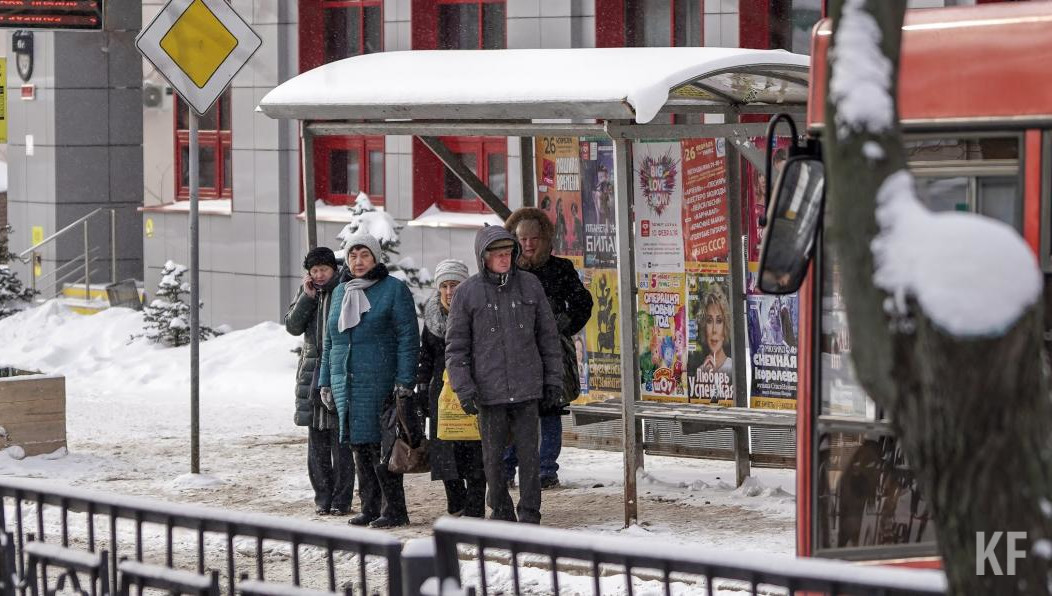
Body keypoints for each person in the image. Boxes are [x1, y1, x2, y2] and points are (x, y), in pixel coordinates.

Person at [445, 225, 563, 523]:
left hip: (527, 386)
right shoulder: (467, 293)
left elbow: (548, 337)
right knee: (492, 459)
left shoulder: (531, 286)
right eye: (497, 254)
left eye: (508, 253)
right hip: (489, 389)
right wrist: (465, 388)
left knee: (530, 459)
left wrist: (553, 381)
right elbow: (456, 348)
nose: (504, 259)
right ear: (483, 257)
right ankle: (500, 510)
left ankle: (530, 514)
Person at [318, 232, 420, 529]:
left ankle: (395, 510)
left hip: (381, 381)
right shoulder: (340, 292)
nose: (358, 261)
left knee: (384, 448)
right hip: (346, 382)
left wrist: (405, 380)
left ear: (376, 257)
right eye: (353, 255)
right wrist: (325, 381)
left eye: (364, 255)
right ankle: (370, 507)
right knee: (359, 446)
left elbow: (407, 338)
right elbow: (330, 341)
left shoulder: (393, 290)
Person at [502, 208, 594, 490]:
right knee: (514, 412)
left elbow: (583, 303)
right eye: (523, 238)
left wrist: (564, 323)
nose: (528, 244)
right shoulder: (506, 270)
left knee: (550, 410)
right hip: (514, 353)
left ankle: (546, 470)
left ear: (545, 239)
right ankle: (506, 468)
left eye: (535, 238)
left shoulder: (560, 269)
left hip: (551, 352)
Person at [284, 246, 354, 516]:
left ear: (333, 269)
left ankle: (342, 499)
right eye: (314, 271)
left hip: (338, 371)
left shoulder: (345, 289)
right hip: (312, 374)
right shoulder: (308, 292)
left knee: (342, 441)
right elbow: (292, 326)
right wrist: (307, 299)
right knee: (317, 441)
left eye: (323, 269)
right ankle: (322, 497)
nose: (319, 275)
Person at [416, 259, 485, 518]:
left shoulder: (476, 312)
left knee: (474, 451)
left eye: (454, 285)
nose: (448, 291)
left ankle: (476, 505)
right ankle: (455, 504)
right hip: (440, 394)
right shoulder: (432, 316)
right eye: (444, 286)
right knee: (445, 453)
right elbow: (426, 355)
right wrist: (422, 387)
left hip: (471, 389)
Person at [695, 285, 733, 403]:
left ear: (725, 327)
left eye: (719, 321)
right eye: (709, 321)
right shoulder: (700, 371)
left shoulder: (732, 368)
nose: (714, 330)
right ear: (704, 326)